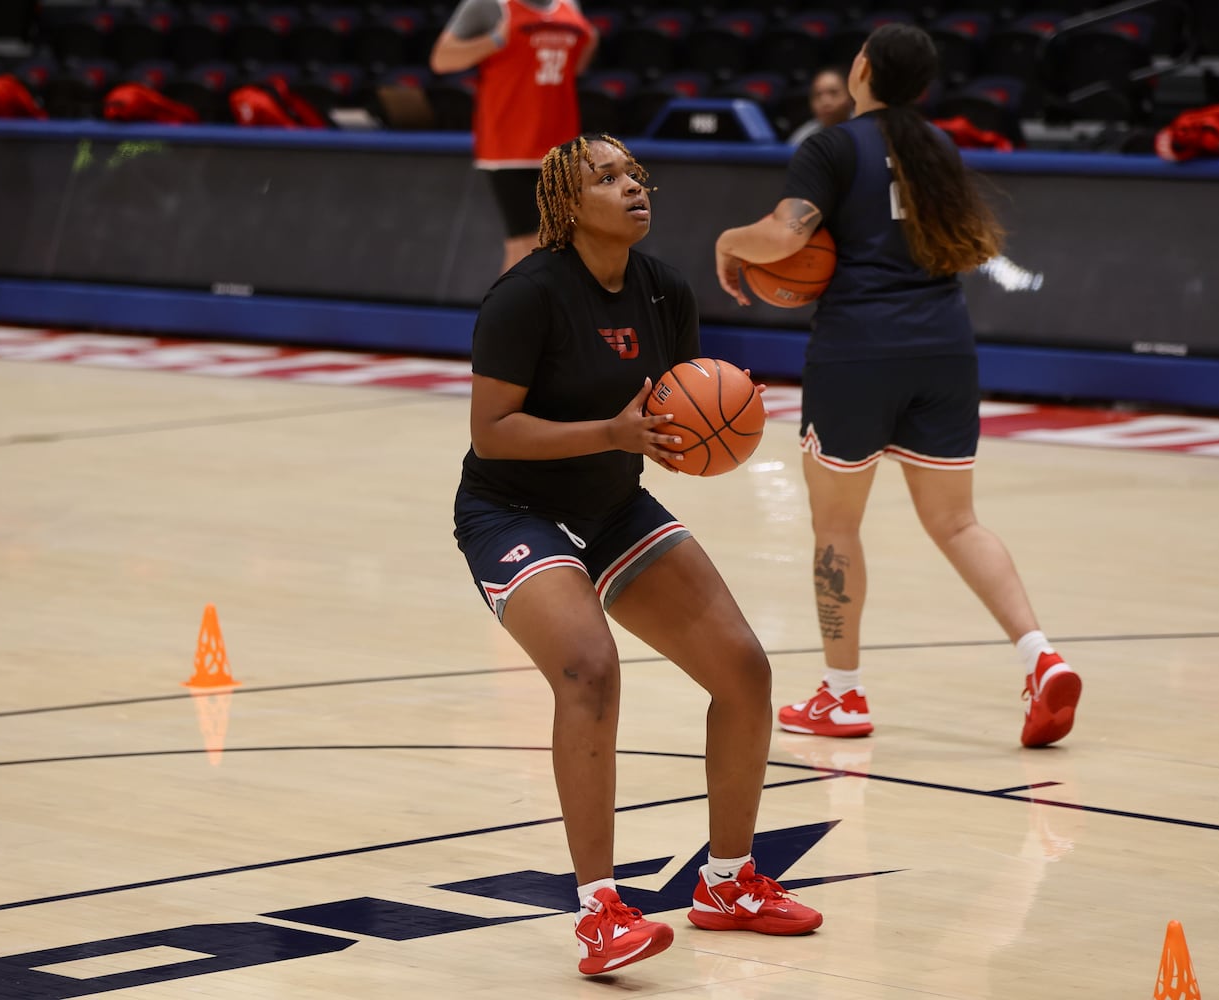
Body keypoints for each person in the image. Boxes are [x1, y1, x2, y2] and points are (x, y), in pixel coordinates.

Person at [452, 133, 823, 977]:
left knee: (745, 670)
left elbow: (675, 413)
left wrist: (708, 430)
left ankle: (727, 883)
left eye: (635, 175)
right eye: (607, 177)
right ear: (564, 204)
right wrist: (613, 433)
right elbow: (492, 432)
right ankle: (600, 911)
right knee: (588, 667)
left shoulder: (665, 291)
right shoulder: (525, 297)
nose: (631, 187)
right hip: (512, 507)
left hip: (612, 504)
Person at [713, 24, 1082, 747]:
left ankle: (842, 696)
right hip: (945, 350)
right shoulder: (937, 147)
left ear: (862, 70)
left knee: (836, 527)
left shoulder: (830, 145)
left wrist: (728, 243)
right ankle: (1040, 655)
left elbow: (788, 234)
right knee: (958, 523)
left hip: (857, 353)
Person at [430, 0, 598, 276]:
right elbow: (441, 59)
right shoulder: (488, 6)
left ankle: (516, 318)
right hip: (510, 146)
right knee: (531, 247)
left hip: (559, 145)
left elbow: (576, 66)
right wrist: (495, 40)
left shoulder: (570, 7)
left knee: (552, 248)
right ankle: (509, 318)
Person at [788, 66, 854, 146]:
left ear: (851, 96)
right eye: (817, 95)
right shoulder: (803, 137)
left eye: (833, 93)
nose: (825, 102)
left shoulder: (866, 131)